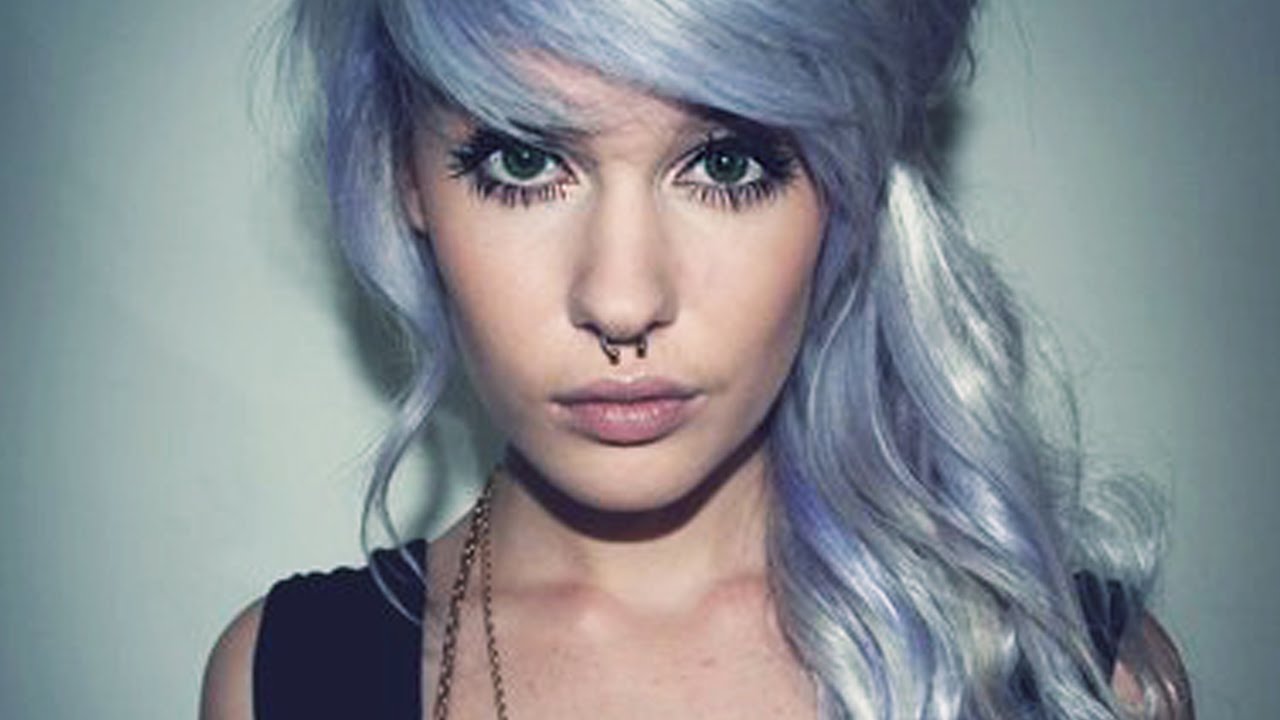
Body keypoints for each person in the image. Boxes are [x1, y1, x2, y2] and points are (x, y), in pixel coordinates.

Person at [202, 1, 1193, 718]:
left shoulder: (1084, 680)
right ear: (403, 177)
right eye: (522, 160)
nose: (622, 299)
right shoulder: (284, 686)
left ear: (849, 186)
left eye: (726, 162)